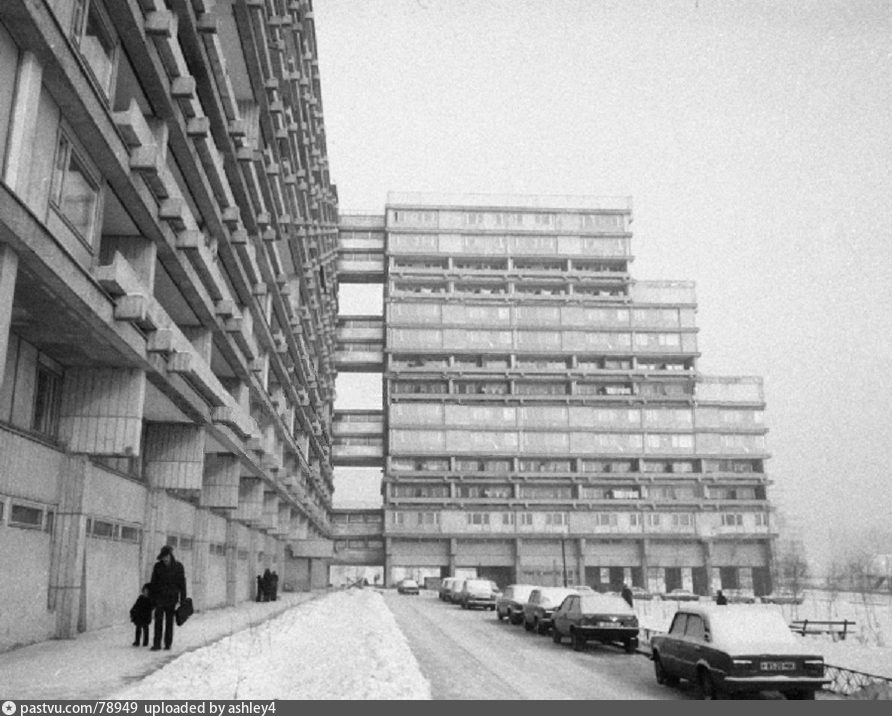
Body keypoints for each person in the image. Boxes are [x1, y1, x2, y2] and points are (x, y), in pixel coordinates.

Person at [149, 545, 187, 651]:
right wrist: (152, 599)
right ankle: (156, 644)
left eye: (166, 557)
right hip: (160, 598)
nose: (164, 559)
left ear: (170, 555)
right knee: (158, 621)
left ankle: (168, 644)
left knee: (169, 622)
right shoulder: (157, 566)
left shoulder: (179, 567)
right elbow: (153, 583)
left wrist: (183, 599)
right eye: (163, 557)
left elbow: (182, 584)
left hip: (171, 598)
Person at [129, 583, 153, 647]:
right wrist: (133, 610)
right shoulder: (140, 598)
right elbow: (136, 605)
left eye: (147, 591)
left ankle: (145, 642)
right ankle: (137, 641)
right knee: (138, 628)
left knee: (145, 629)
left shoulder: (150, 600)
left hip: (146, 616)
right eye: (144, 591)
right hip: (139, 616)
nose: (145, 592)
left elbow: (151, 608)